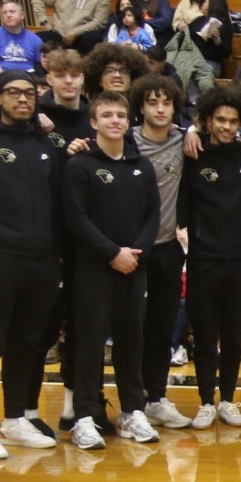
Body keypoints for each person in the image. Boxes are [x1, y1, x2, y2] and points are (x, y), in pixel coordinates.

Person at [0, 71, 62, 453]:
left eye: (29, 93)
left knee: (27, 344)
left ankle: (14, 420)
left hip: (41, 261)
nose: (23, 99)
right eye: (14, 93)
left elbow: (55, 201)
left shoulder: (45, 144)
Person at [60, 89, 161, 449]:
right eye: (107, 115)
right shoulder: (80, 165)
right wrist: (111, 253)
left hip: (133, 269)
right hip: (93, 270)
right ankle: (85, 417)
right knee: (89, 345)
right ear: (93, 122)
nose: (115, 120)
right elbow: (75, 218)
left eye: (120, 114)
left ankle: (133, 411)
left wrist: (136, 253)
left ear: (128, 120)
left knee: (132, 344)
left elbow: (153, 215)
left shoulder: (142, 165)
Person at [178, 84, 241, 429]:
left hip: (239, 258)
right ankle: (204, 402)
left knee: (233, 333)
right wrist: (189, 131)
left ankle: (227, 399)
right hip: (202, 258)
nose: (227, 127)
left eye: (233, 121)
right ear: (208, 121)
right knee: (205, 332)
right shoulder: (194, 155)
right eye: (221, 120)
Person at [119, 75, 191, 432]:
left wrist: (191, 130)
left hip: (167, 248)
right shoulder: (125, 141)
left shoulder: (184, 139)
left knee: (162, 331)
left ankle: (156, 399)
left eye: (166, 103)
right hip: (130, 251)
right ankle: (130, 405)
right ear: (141, 107)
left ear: (175, 107)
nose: (160, 109)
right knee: (131, 330)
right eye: (152, 102)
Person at [174, 0, 231, 72]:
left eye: (205, 2)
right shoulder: (197, 22)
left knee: (194, 72)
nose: (202, 4)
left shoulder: (224, 25)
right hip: (190, 61)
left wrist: (217, 41)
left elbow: (226, 53)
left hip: (211, 63)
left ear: (212, 5)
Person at [0, 0, 45, 76]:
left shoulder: (35, 39)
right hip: (3, 78)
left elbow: (43, 63)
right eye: (4, 13)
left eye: (12, 11)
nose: (8, 15)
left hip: (29, 78)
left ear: (22, 15)